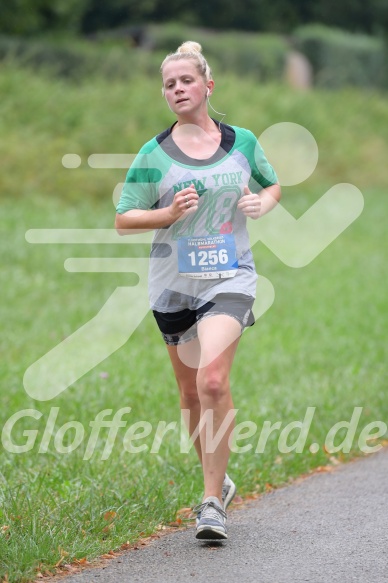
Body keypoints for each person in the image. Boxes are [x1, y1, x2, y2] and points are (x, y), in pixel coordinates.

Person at [115, 41, 281, 540]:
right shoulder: (154, 153)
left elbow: (272, 185)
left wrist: (262, 204)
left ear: (208, 86)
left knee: (211, 381)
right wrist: (167, 214)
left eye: (186, 80)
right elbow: (124, 218)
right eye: (169, 84)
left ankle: (211, 502)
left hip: (230, 277)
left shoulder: (243, 142)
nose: (177, 90)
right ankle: (220, 479)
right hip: (173, 288)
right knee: (189, 392)